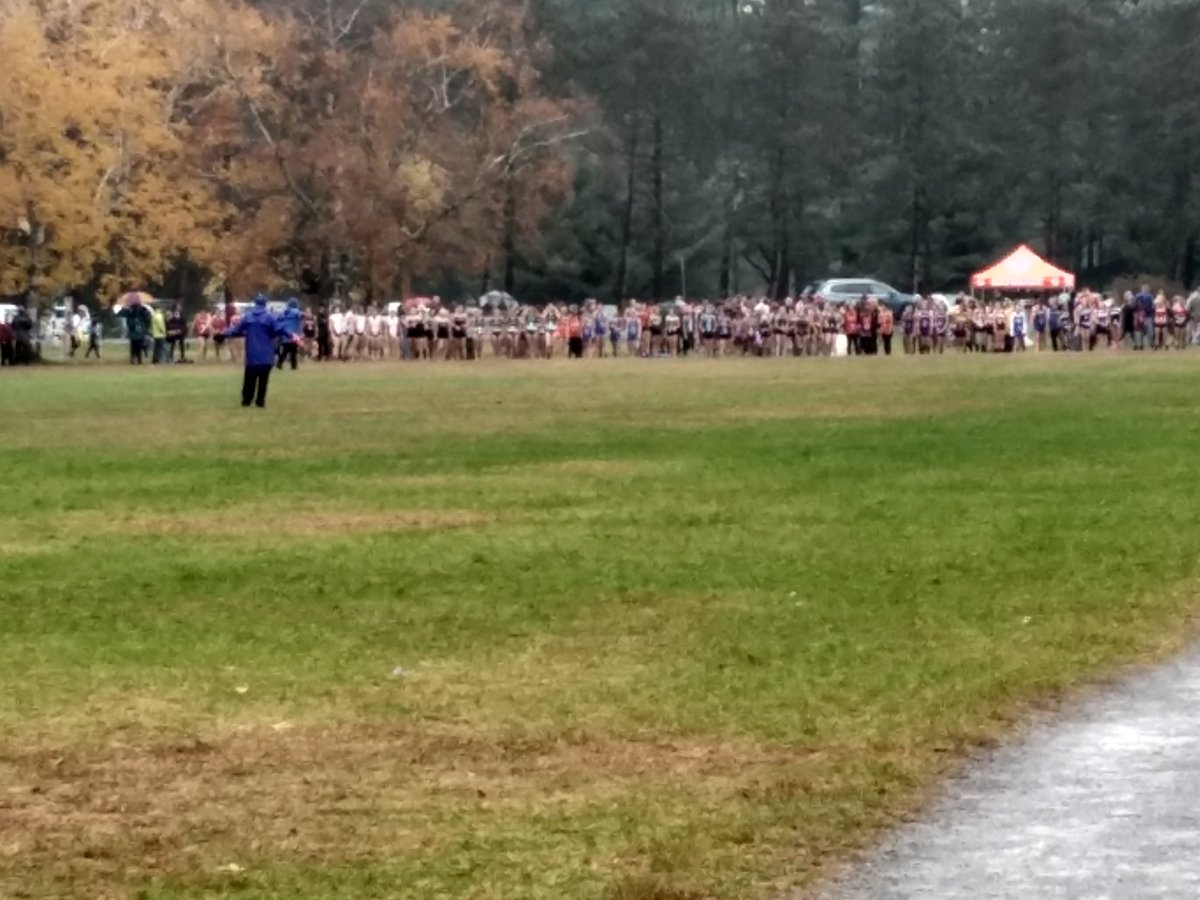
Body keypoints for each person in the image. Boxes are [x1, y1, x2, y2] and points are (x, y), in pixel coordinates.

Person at [222, 294, 297, 408]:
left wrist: (223, 333)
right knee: (263, 381)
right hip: (266, 355)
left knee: (249, 380)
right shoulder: (270, 317)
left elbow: (235, 330)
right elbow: (281, 329)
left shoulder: (247, 317)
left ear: (255, 303)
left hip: (252, 355)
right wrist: (292, 335)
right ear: (265, 304)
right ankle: (260, 401)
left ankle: (247, 401)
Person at [115, 297, 151, 364]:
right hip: (134, 333)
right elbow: (129, 324)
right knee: (134, 347)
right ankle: (134, 359)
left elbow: (146, 320)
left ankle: (138, 359)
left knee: (138, 346)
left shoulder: (142, 312)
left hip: (139, 332)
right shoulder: (131, 313)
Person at [276, 297, 303, 370]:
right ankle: (293, 366)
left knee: (285, 350)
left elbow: (278, 319)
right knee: (294, 351)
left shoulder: (284, 311)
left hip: (285, 334)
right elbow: (301, 316)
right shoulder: (296, 311)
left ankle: (279, 363)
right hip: (294, 334)